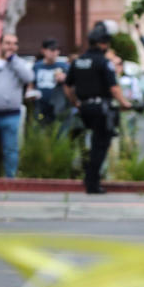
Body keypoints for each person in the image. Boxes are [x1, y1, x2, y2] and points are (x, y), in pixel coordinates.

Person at [63, 23, 132, 193]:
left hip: (84, 108)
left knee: (87, 144)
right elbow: (114, 88)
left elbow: (68, 85)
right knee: (99, 145)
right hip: (101, 108)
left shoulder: (79, 61)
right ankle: (92, 183)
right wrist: (125, 103)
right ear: (103, 43)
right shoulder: (103, 62)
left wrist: (76, 103)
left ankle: (89, 178)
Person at [0, 32, 34, 177]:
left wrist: (13, 61)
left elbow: (29, 78)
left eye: (15, 43)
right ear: (0, 44)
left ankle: (11, 179)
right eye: (8, 43)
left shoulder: (19, 63)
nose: (12, 46)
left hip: (10, 115)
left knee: (10, 149)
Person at [30, 38, 70, 122]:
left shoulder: (64, 66)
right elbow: (31, 84)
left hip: (58, 106)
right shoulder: (37, 66)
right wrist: (30, 94)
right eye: (52, 49)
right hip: (40, 105)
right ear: (43, 50)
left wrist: (64, 78)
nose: (54, 52)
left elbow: (71, 84)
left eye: (57, 49)